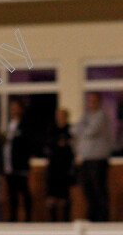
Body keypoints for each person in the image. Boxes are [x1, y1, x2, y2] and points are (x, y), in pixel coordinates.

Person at [75, 93, 113, 222]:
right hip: (86, 159)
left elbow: (90, 131)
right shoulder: (85, 117)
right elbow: (74, 130)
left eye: (94, 101)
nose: (91, 103)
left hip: (98, 159)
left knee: (98, 189)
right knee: (88, 189)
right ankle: (93, 217)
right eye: (89, 101)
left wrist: (81, 129)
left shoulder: (101, 116)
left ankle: (102, 218)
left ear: (99, 102)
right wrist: (81, 129)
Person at [3, 100, 32, 221]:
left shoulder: (26, 125)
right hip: (9, 166)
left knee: (24, 192)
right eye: (12, 108)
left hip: (21, 166)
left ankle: (28, 219)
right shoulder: (9, 125)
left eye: (16, 108)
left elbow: (27, 144)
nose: (14, 110)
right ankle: (13, 219)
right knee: (12, 195)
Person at [45, 108, 74, 221]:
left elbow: (71, 147)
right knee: (51, 197)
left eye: (62, 116)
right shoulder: (52, 130)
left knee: (64, 197)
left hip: (65, 168)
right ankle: (53, 222)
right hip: (53, 167)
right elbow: (48, 146)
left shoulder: (70, 130)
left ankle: (66, 221)